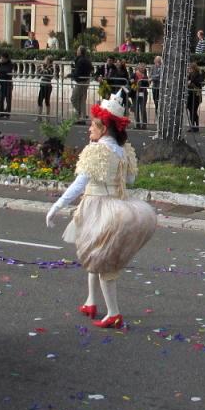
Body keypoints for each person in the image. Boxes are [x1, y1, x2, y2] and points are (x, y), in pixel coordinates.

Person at [45, 91, 157, 330]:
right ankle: (90, 301)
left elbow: (79, 184)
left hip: (98, 208)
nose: (89, 130)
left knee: (101, 259)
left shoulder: (96, 150)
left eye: (93, 126)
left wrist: (57, 205)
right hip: (117, 206)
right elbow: (131, 179)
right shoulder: (123, 150)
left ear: (104, 128)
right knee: (94, 256)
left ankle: (113, 313)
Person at [71, 46, 93, 122]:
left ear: (80, 52)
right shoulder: (87, 60)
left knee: (74, 98)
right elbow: (91, 68)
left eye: (77, 50)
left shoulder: (80, 60)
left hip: (81, 81)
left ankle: (80, 113)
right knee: (82, 100)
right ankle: (82, 118)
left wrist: (70, 75)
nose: (76, 51)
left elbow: (77, 72)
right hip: (86, 80)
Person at [0, 52, 15, 119]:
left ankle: (7, 113)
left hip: (8, 83)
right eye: (1, 58)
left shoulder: (10, 64)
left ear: (6, 58)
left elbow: (7, 71)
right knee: (0, 99)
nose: (1, 59)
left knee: (8, 99)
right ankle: (1, 113)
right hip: (1, 83)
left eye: (3, 58)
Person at [186, 62, 204, 132]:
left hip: (196, 95)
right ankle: (193, 125)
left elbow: (199, 82)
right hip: (190, 95)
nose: (189, 69)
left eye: (190, 68)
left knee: (194, 111)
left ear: (193, 68)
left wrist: (191, 82)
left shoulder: (198, 74)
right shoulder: (190, 75)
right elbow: (187, 82)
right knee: (191, 111)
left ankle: (196, 126)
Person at [150, 55, 164, 119]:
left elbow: (160, 76)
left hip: (160, 86)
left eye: (158, 60)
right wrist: (154, 77)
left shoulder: (162, 67)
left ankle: (159, 110)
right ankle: (156, 108)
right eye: (156, 60)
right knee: (154, 99)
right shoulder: (152, 67)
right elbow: (150, 75)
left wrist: (153, 77)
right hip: (154, 86)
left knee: (160, 99)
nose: (157, 61)